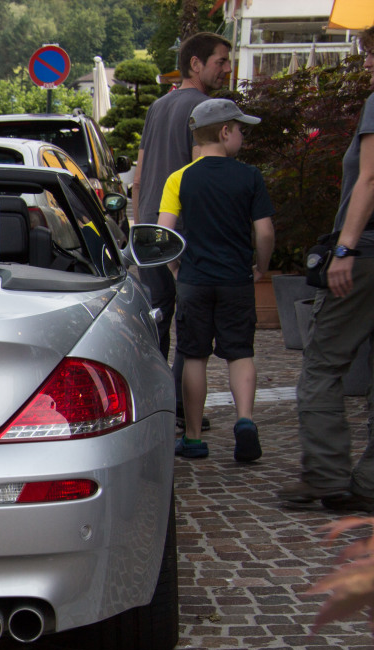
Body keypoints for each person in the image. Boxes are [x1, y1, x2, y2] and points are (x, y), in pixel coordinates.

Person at [281, 27, 374, 511]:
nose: (367, 64)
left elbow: (372, 176)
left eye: (371, 54)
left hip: (367, 256)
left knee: (322, 364)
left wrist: (345, 248)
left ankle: (327, 476)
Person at [158, 99, 273, 463]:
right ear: (225, 132)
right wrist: (262, 267)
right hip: (236, 279)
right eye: (240, 130)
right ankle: (245, 421)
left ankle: (192, 438)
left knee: (194, 355)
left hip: (195, 279)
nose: (242, 137)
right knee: (240, 352)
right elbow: (265, 232)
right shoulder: (249, 176)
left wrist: (176, 269)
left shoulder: (180, 177)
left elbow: (164, 233)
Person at [133, 32, 232, 428]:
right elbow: (202, 174)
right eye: (220, 61)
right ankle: (179, 407)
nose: (227, 68)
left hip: (151, 230)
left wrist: (140, 227)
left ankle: (151, 405)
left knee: (157, 319)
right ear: (195, 63)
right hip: (184, 231)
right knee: (191, 327)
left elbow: (139, 175)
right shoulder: (208, 108)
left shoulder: (158, 106)